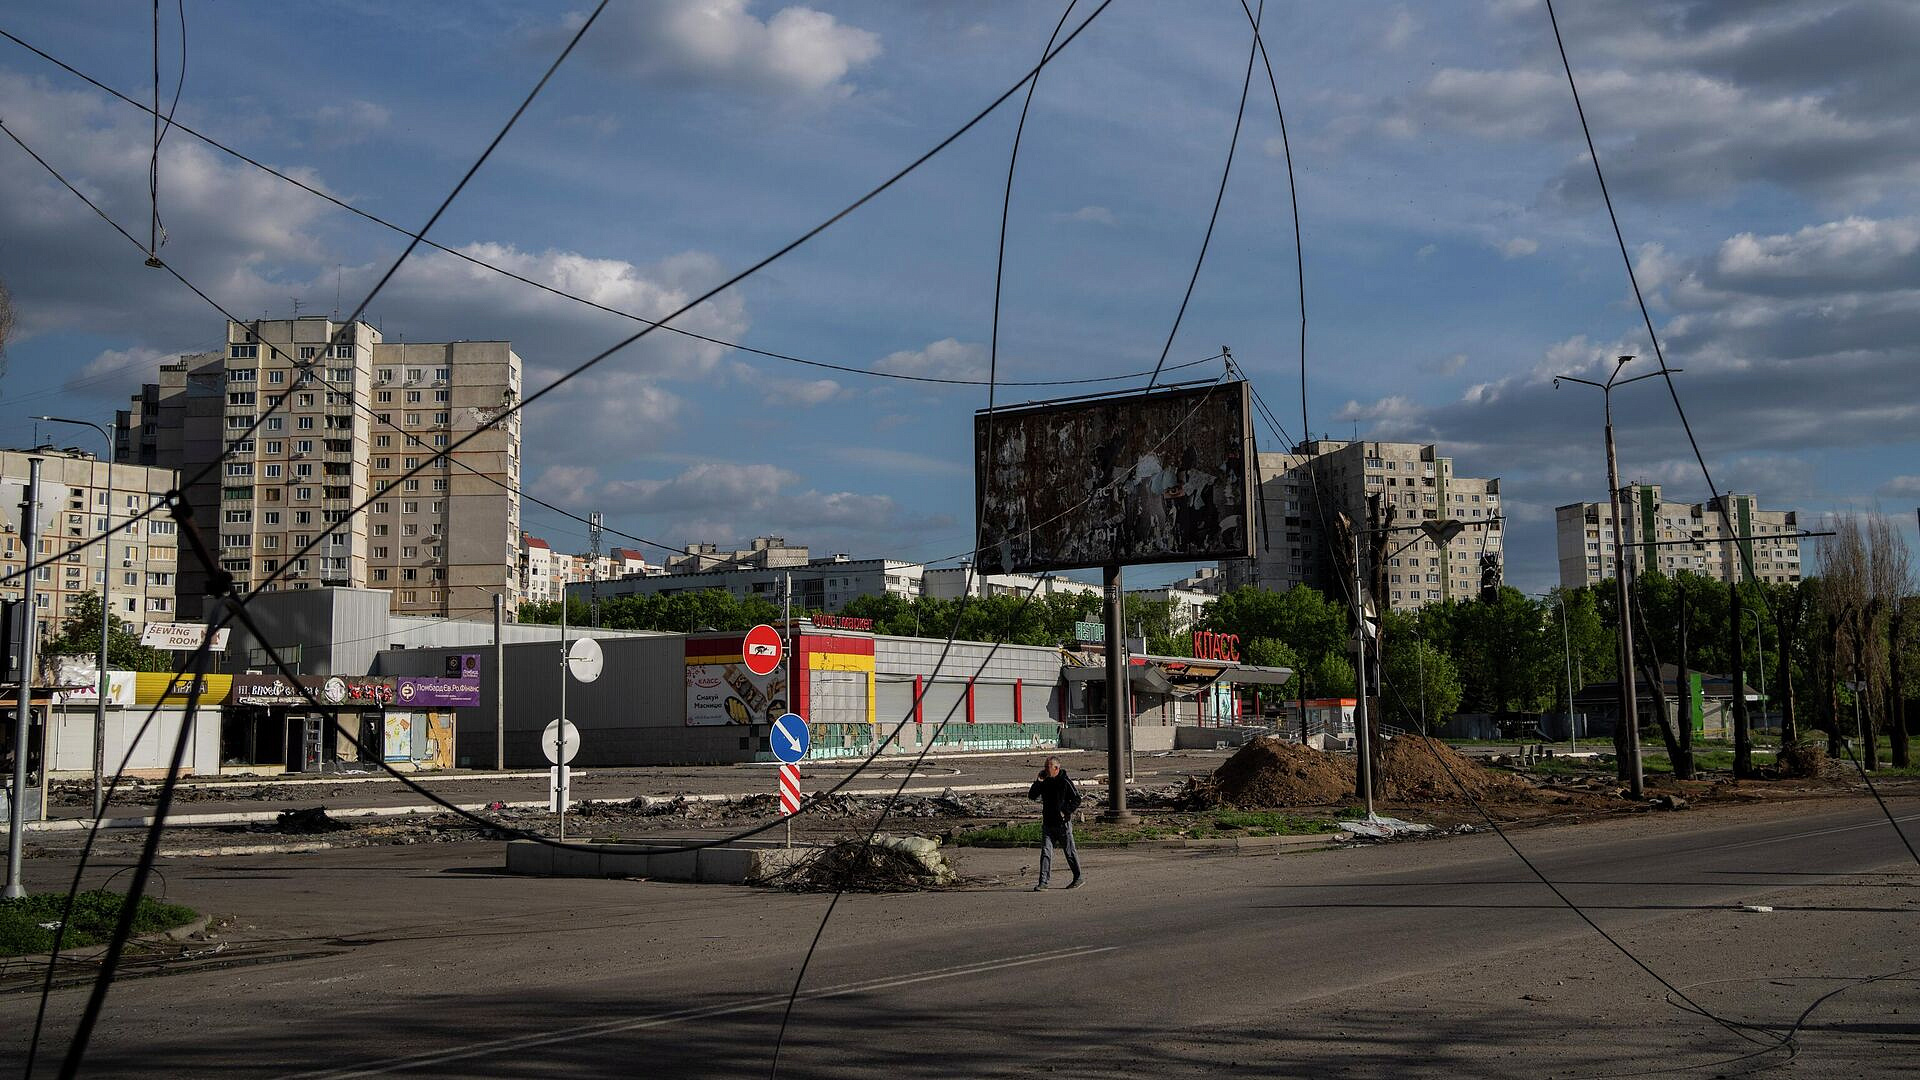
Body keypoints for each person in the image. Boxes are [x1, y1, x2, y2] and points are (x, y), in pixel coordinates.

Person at [1027, 756, 1083, 890]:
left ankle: (1078, 877)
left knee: (1070, 852)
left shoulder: (1064, 781)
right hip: (1048, 823)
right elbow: (1032, 796)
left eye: (1048, 767)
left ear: (1056, 768)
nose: (1045, 770)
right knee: (1046, 852)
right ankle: (1043, 882)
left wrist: (1066, 811)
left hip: (1062, 824)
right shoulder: (1044, 781)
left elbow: (1077, 799)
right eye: (1045, 767)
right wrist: (1038, 782)